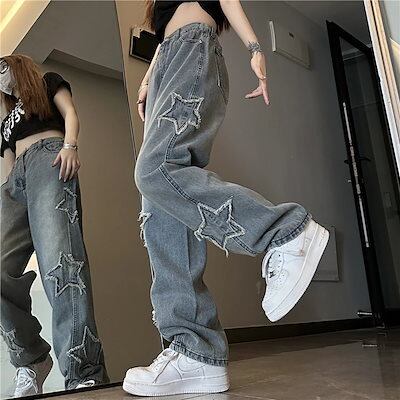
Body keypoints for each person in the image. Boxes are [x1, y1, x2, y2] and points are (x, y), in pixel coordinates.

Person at [123, 0, 329, 396]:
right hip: (168, 61)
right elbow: (164, 37)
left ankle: (285, 231)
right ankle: (195, 352)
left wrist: (255, 48)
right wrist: (149, 77)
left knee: (155, 170)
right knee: (160, 208)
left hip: (192, 49)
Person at [0, 54, 109, 397]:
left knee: (60, 264)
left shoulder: (47, 82)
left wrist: (69, 145)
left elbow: (70, 113)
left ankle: (83, 371)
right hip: (14, 183)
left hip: (48, 159)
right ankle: (31, 359)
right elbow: (8, 165)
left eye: (2, 68)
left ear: (17, 67)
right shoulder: (6, 120)